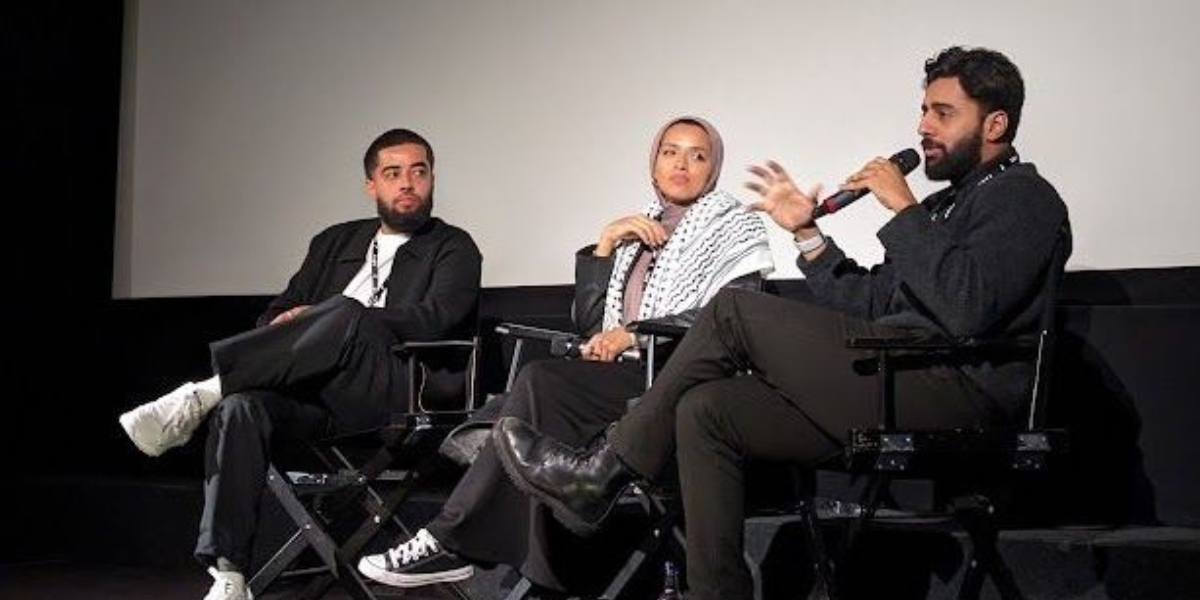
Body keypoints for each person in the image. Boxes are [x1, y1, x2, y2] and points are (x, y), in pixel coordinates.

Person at [493, 46, 1071, 600]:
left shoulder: (1025, 198)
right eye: (924, 110)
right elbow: (872, 303)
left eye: (943, 113)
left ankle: (603, 472)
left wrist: (904, 209)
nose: (923, 126)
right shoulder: (946, 207)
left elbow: (968, 307)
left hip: (959, 394)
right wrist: (807, 233)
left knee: (733, 309)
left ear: (995, 124)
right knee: (707, 409)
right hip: (897, 375)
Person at [356, 116, 773, 593]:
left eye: (697, 155)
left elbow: (734, 317)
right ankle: (519, 559)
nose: (682, 164)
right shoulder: (639, 233)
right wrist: (605, 247)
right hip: (621, 379)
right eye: (670, 152)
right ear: (653, 164)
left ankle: (449, 538)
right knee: (535, 419)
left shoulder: (735, 226)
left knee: (539, 386)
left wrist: (634, 336)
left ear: (713, 167)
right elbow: (593, 328)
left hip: (678, 382)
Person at [118, 128, 482, 600]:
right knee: (241, 409)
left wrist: (342, 318)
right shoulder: (334, 242)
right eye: (393, 173)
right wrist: (290, 322)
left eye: (419, 172)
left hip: (391, 393)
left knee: (345, 311)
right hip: (313, 396)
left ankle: (205, 391)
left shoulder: (454, 246)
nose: (407, 183)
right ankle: (229, 575)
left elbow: (434, 321)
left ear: (432, 178)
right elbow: (273, 316)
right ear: (371, 184)